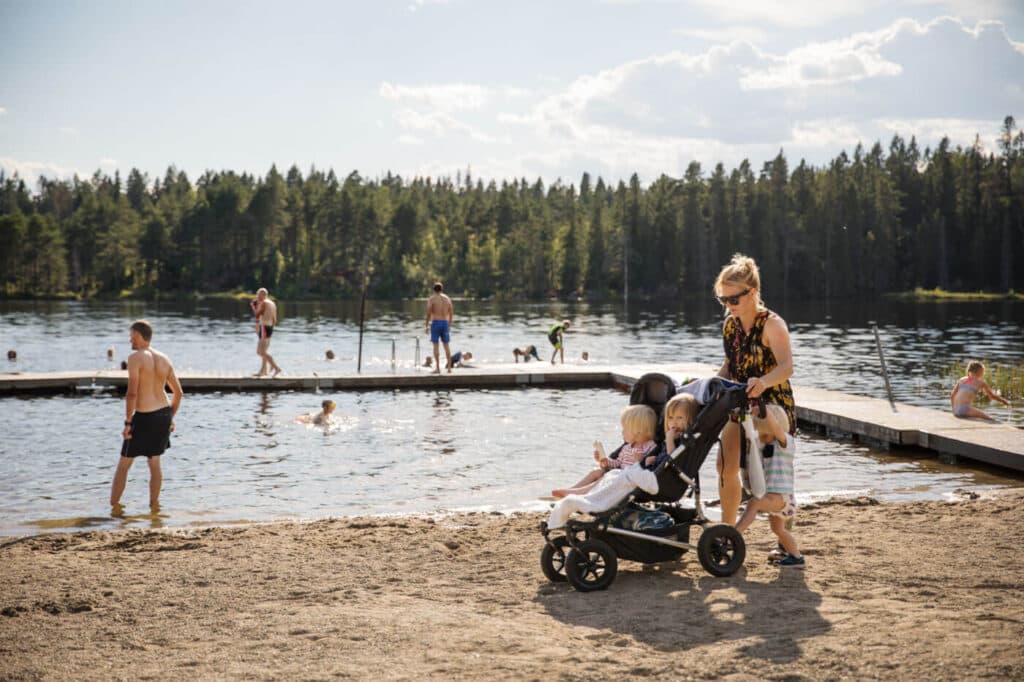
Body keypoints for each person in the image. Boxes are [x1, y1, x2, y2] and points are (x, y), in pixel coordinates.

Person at [714, 254, 796, 526]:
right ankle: (727, 530)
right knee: (724, 466)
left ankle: (783, 527)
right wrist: (712, 384)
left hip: (771, 406)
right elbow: (730, 365)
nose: (729, 305)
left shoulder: (772, 324)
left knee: (771, 473)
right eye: (723, 300)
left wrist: (762, 382)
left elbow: (787, 367)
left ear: (752, 293)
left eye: (733, 299)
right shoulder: (730, 325)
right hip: (740, 403)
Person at [110, 320, 183, 513]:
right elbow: (179, 393)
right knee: (155, 463)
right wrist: (170, 417)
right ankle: (154, 508)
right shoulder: (164, 359)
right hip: (163, 414)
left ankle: (113, 510)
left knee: (124, 464)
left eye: (131, 336)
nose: (130, 340)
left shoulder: (136, 358)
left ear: (139, 336)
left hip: (144, 417)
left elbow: (132, 393)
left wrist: (128, 422)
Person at [735, 404, 804, 568]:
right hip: (774, 498)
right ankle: (796, 557)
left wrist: (764, 411)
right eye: (760, 433)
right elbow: (749, 434)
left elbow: (775, 427)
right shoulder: (763, 445)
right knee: (778, 530)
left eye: (765, 433)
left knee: (754, 503)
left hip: (783, 497)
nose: (762, 437)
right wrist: (745, 416)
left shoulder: (785, 443)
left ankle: (734, 534)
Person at [552, 404, 657, 498]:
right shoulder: (627, 447)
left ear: (637, 432)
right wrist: (605, 461)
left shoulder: (651, 447)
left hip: (628, 481)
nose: (622, 432)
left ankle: (577, 493)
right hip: (618, 476)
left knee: (604, 478)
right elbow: (618, 463)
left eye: (625, 429)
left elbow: (648, 470)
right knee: (596, 472)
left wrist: (640, 460)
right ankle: (572, 489)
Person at [251, 288, 282, 377]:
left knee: (260, 352)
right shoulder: (272, 303)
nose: (257, 297)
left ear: (263, 295)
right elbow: (275, 319)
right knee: (264, 351)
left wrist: (253, 307)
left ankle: (276, 367)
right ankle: (263, 371)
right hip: (270, 328)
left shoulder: (264, 303)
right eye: (257, 295)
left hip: (264, 327)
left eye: (258, 295)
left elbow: (257, 315)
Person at [425, 282, 453, 374]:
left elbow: (429, 312)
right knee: (446, 346)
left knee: (435, 346)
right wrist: (449, 324)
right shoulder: (447, 298)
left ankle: (437, 368)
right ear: (442, 289)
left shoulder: (432, 299)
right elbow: (451, 312)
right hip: (445, 322)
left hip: (436, 322)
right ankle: (449, 368)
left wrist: (426, 325)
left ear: (434, 289)